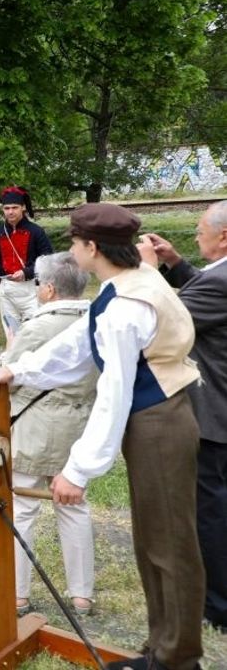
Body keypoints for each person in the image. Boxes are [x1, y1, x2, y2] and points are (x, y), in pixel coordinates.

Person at [0, 203, 204, 670]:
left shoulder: (127, 304)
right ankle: (164, 650)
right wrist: (16, 369)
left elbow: (114, 395)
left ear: (92, 248)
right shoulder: (127, 283)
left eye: (75, 242)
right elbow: (79, 343)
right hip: (157, 415)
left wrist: (77, 470)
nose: (71, 249)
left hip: (158, 421)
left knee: (170, 546)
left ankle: (178, 660)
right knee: (153, 543)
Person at [140, 200, 227, 633]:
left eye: (199, 231)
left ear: (223, 236)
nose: (195, 236)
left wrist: (146, 271)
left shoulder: (221, 281)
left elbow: (167, 321)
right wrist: (176, 263)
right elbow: (204, 285)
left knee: (208, 508)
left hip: (214, 413)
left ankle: (218, 602)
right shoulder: (219, 275)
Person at [0, 252, 97, 618]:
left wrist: (7, 351)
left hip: (34, 428)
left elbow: (8, 379)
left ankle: (19, 595)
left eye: (39, 283)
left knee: (23, 507)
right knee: (74, 508)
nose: (37, 289)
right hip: (79, 427)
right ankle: (82, 596)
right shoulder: (94, 322)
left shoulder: (38, 328)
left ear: (49, 289)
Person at [0, 186, 53, 341]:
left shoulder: (36, 232)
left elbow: (48, 258)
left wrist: (27, 272)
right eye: (6, 208)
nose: (10, 212)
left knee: (33, 335)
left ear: (23, 207)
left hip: (31, 288)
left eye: (15, 207)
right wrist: (3, 273)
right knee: (11, 334)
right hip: (7, 289)